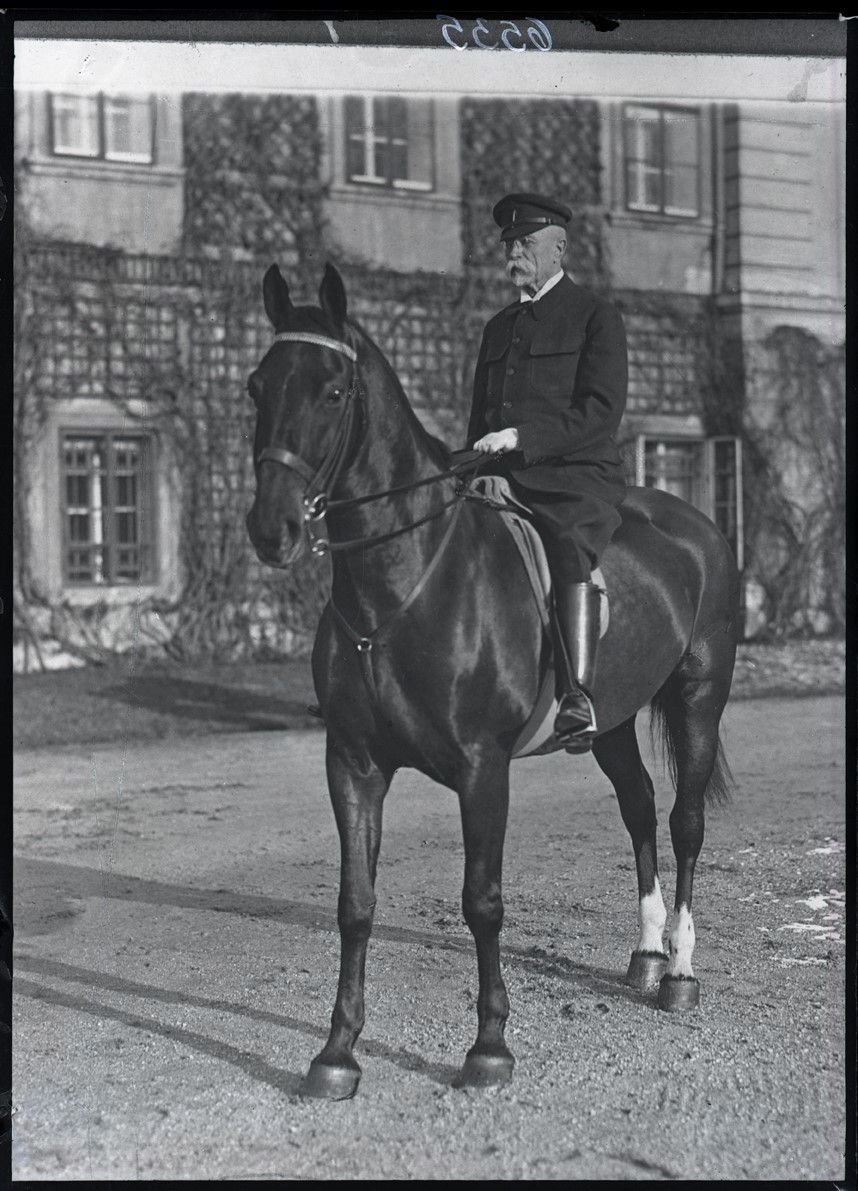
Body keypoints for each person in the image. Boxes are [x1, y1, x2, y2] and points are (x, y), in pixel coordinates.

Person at [466, 192, 628, 752]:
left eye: (526, 243)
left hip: (575, 475)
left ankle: (577, 696)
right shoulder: (498, 326)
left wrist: (521, 439)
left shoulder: (594, 315)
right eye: (509, 244)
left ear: (558, 248)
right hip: (502, 474)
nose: (515, 252)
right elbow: (479, 418)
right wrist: (469, 468)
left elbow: (601, 412)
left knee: (564, 539)